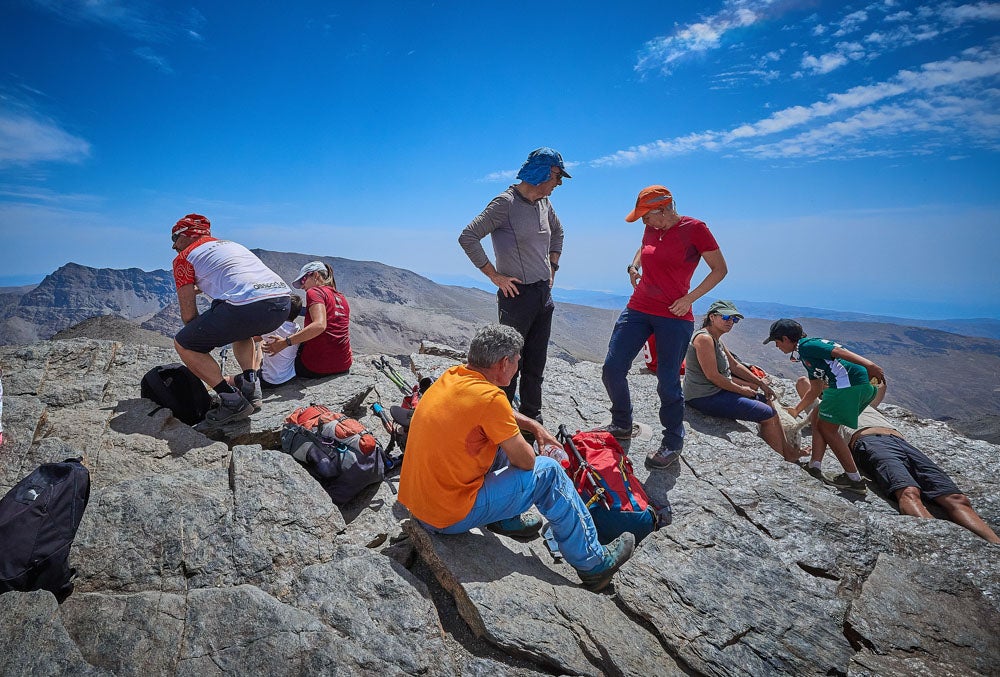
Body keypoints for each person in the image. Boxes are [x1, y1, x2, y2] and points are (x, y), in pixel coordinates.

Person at [398, 324, 636, 592]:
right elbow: (527, 463)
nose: (518, 367)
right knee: (548, 473)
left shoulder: (453, 377)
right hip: (446, 518)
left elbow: (498, 415)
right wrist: (534, 448)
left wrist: (536, 427)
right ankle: (594, 564)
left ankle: (502, 516)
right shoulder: (491, 399)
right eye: (516, 361)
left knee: (495, 442)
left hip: (420, 506)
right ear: (503, 363)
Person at [602, 186, 727, 470]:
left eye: (645, 217)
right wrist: (633, 266)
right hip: (639, 307)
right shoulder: (651, 227)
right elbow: (643, 246)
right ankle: (622, 423)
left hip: (674, 314)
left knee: (668, 382)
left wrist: (689, 299)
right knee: (612, 367)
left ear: (663, 209)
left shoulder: (695, 229)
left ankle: (672, 442)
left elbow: (720, 269)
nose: (643, 223)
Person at [801, 379, 999, 543]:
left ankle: (995, 546)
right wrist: (821, 386)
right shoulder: (825, 407)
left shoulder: (863, 402)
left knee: (957, 499)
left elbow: (880, 384)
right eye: (826, 383)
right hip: (868, 442)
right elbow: (803, 383)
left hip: (902, 443)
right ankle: (939, 543)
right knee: (908, 492)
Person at [458, 147, 569, 424]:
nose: (558, 183)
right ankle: (501, 419)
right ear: (543, 172)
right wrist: (494, 276)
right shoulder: (505, 203)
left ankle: (532, 417)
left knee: (536, 361)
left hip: (543, 293)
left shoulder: (544, 203)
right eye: (557, 176)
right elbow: (468, 237)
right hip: (516, 296)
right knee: (508, 363)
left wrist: (552, 267)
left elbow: (558, 232)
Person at [170, 214, 291, 426]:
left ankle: (231, 400)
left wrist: (199, 341)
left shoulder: (183, 258)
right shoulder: (231, 245)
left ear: (186, 236)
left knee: (184, 343)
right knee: (239, 329)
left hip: (247, 307)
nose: (173, 246)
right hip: (282, 303)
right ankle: (251, 385)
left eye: (174, 238)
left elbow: (189, 315)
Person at [763, 318, 885, 495]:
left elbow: (838, 352)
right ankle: (815, 466)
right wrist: (796, 410)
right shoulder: (805, 354)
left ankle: (854, 480)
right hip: (857, 387)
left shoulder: (806, 346)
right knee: (818, 417)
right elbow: (816, 388)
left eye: (776, 342)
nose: (776, 346)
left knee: (829, 430)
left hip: (847, 386)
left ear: (786, 338)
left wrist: (870, 365)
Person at [684, 300, 800, 461]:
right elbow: (713, 376)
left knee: (767, 401)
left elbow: (735, 365)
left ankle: (787, 452)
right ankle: (780, 459)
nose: (730, 322)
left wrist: (761, 384)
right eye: (726, 317)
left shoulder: (715, 339)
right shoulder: (704, 339)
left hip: (715, 392)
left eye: (734, 319)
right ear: (712, 317)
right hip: (703, 396)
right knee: (767, 414)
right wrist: (742, 390)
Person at [263, 261, 352, 378]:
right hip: (344, 364)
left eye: (303, 280)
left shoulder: (315, 291)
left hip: (315, 367)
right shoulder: (341, 297)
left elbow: (319, 325)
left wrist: (285, 343)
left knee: (280, 355)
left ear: (315, 275)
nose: (302, 286)